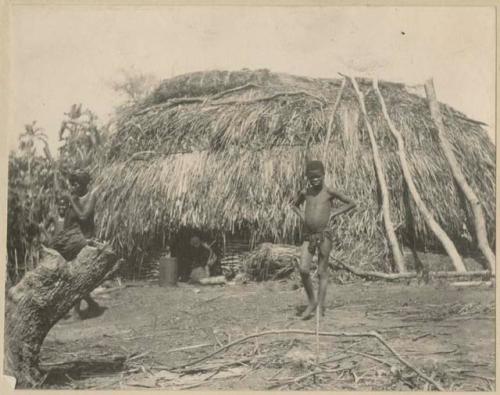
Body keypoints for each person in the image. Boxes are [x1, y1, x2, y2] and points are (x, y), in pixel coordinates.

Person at [291, 160, 356, 320]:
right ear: (308, 178)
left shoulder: (329, 192)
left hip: (324, 235)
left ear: (323, 175)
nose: (314, 180)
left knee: (321, 272)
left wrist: (334, 213)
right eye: (311, 177)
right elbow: (294, 205)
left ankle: (320, 306)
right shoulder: (305, 193)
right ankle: (312, 302)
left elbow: (351, 203)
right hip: (309, 236)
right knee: (304, 269)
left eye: (317, 177)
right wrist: (303, 218)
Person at [58, 170, 101, 319]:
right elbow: (68, 220)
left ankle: (76, 312)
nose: (72, 187)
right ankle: (92, 305)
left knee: (76, 276)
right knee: (72, 275)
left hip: (85, 240)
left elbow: (83, 216)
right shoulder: (74, 198)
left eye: (75, 184)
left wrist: (71, 199)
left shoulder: (91, 196)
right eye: (72, 184)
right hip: (73, 240)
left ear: (83, 185)